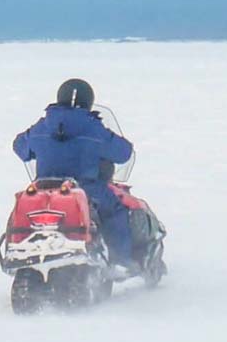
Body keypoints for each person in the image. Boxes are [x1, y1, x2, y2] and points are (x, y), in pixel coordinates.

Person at [12, 78, 136, 267]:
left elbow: (20, 147)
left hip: (43, 188)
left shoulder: (43, 126)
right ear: (88, 101)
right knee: (116, 211)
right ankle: (120, 262)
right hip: (86, 188)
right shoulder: (92, 127)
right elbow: (122, 153)